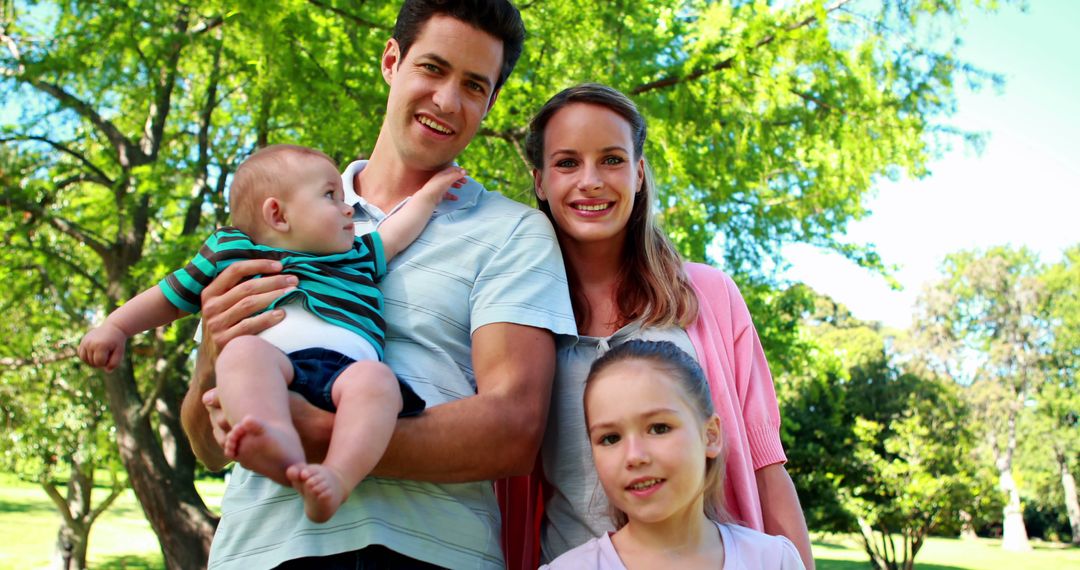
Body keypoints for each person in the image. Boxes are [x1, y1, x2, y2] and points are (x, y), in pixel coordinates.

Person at [180, 1, 576, 568]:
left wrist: (319, 434)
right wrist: (211, 359)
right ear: (392, 60)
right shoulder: (283, 216)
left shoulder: (513, 232)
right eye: (433, 69)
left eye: (473, 85)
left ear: (489, 104)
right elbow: (206, 447)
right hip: (263, 550)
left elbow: (513, 431)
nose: (446, 100)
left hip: (432, 554)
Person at [80, 144, 467, 523]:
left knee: (379, 382)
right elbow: (170, 294)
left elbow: (399, 230)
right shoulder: (232, 253)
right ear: (278, 215)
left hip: (346, 374)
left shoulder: (356, 254)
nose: (348, 206)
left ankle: (337, 476)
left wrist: (431, 194)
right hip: (272, 369)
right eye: (331, 196)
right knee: (241, 355)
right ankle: (270, 439)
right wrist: (116, 326)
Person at [525, 83, 815, 568]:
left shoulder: (709, 296)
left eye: (612, 159)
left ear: (639, 174)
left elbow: (766, 465)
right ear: (539, 181)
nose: (591, 180)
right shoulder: (521, 314)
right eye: (568, 162)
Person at [542, 340, 805, 569]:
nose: (634, 456)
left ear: (711, 435)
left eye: (659, 428)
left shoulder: (774, 560)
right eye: (610, 438)